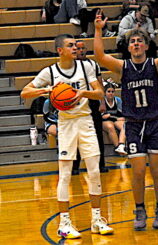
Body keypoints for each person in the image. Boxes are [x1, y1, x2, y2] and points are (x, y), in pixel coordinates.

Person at [21, 34, 114, 239]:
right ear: (60, 50)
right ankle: (64, 223)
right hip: (65, 124)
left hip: (86, 121)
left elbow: (99, 93)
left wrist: (83, 94)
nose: (75, 48)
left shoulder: (85, 67)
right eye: (70, 45)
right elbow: (25, 92)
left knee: (95, 171)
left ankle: (97, 220)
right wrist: (47, 90)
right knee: (64, 174)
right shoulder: (50, 72)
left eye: (76, 45)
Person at [94, 9, 158, 230]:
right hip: (133, 125)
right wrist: (97, 31)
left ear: (147, 46)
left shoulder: (155, 65)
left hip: (155, 123)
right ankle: (139, 209)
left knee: (157, 170)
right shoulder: (123, 68)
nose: (137, 44)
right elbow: (100, 57)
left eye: (140, 41)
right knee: (138, 171)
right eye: (133, 42)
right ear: (128, 47)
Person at [71, 40, 108, 174]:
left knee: (98, 134)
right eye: (78, 48)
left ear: (86, 49)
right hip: (77, 103)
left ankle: (101, 164)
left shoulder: (93, 64)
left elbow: (99, 83)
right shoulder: (70, 65)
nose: (81, 51)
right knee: (77, 134)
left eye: (83, 48)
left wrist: (102, 102)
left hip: (92, 102)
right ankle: (75, 166)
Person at [102, 83, 127, 155]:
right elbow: (102, 116)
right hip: (105, 121)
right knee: (110, 126)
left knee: (124, 125)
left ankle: (121, 145)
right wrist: (112, 117)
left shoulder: (118, 100)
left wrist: (114, 117)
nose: (111, 93)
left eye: (112, 92)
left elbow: (123, 114)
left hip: (116, 119)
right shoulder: (102, 101)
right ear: (105, 92)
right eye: (109, 91)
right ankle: (117, 146)